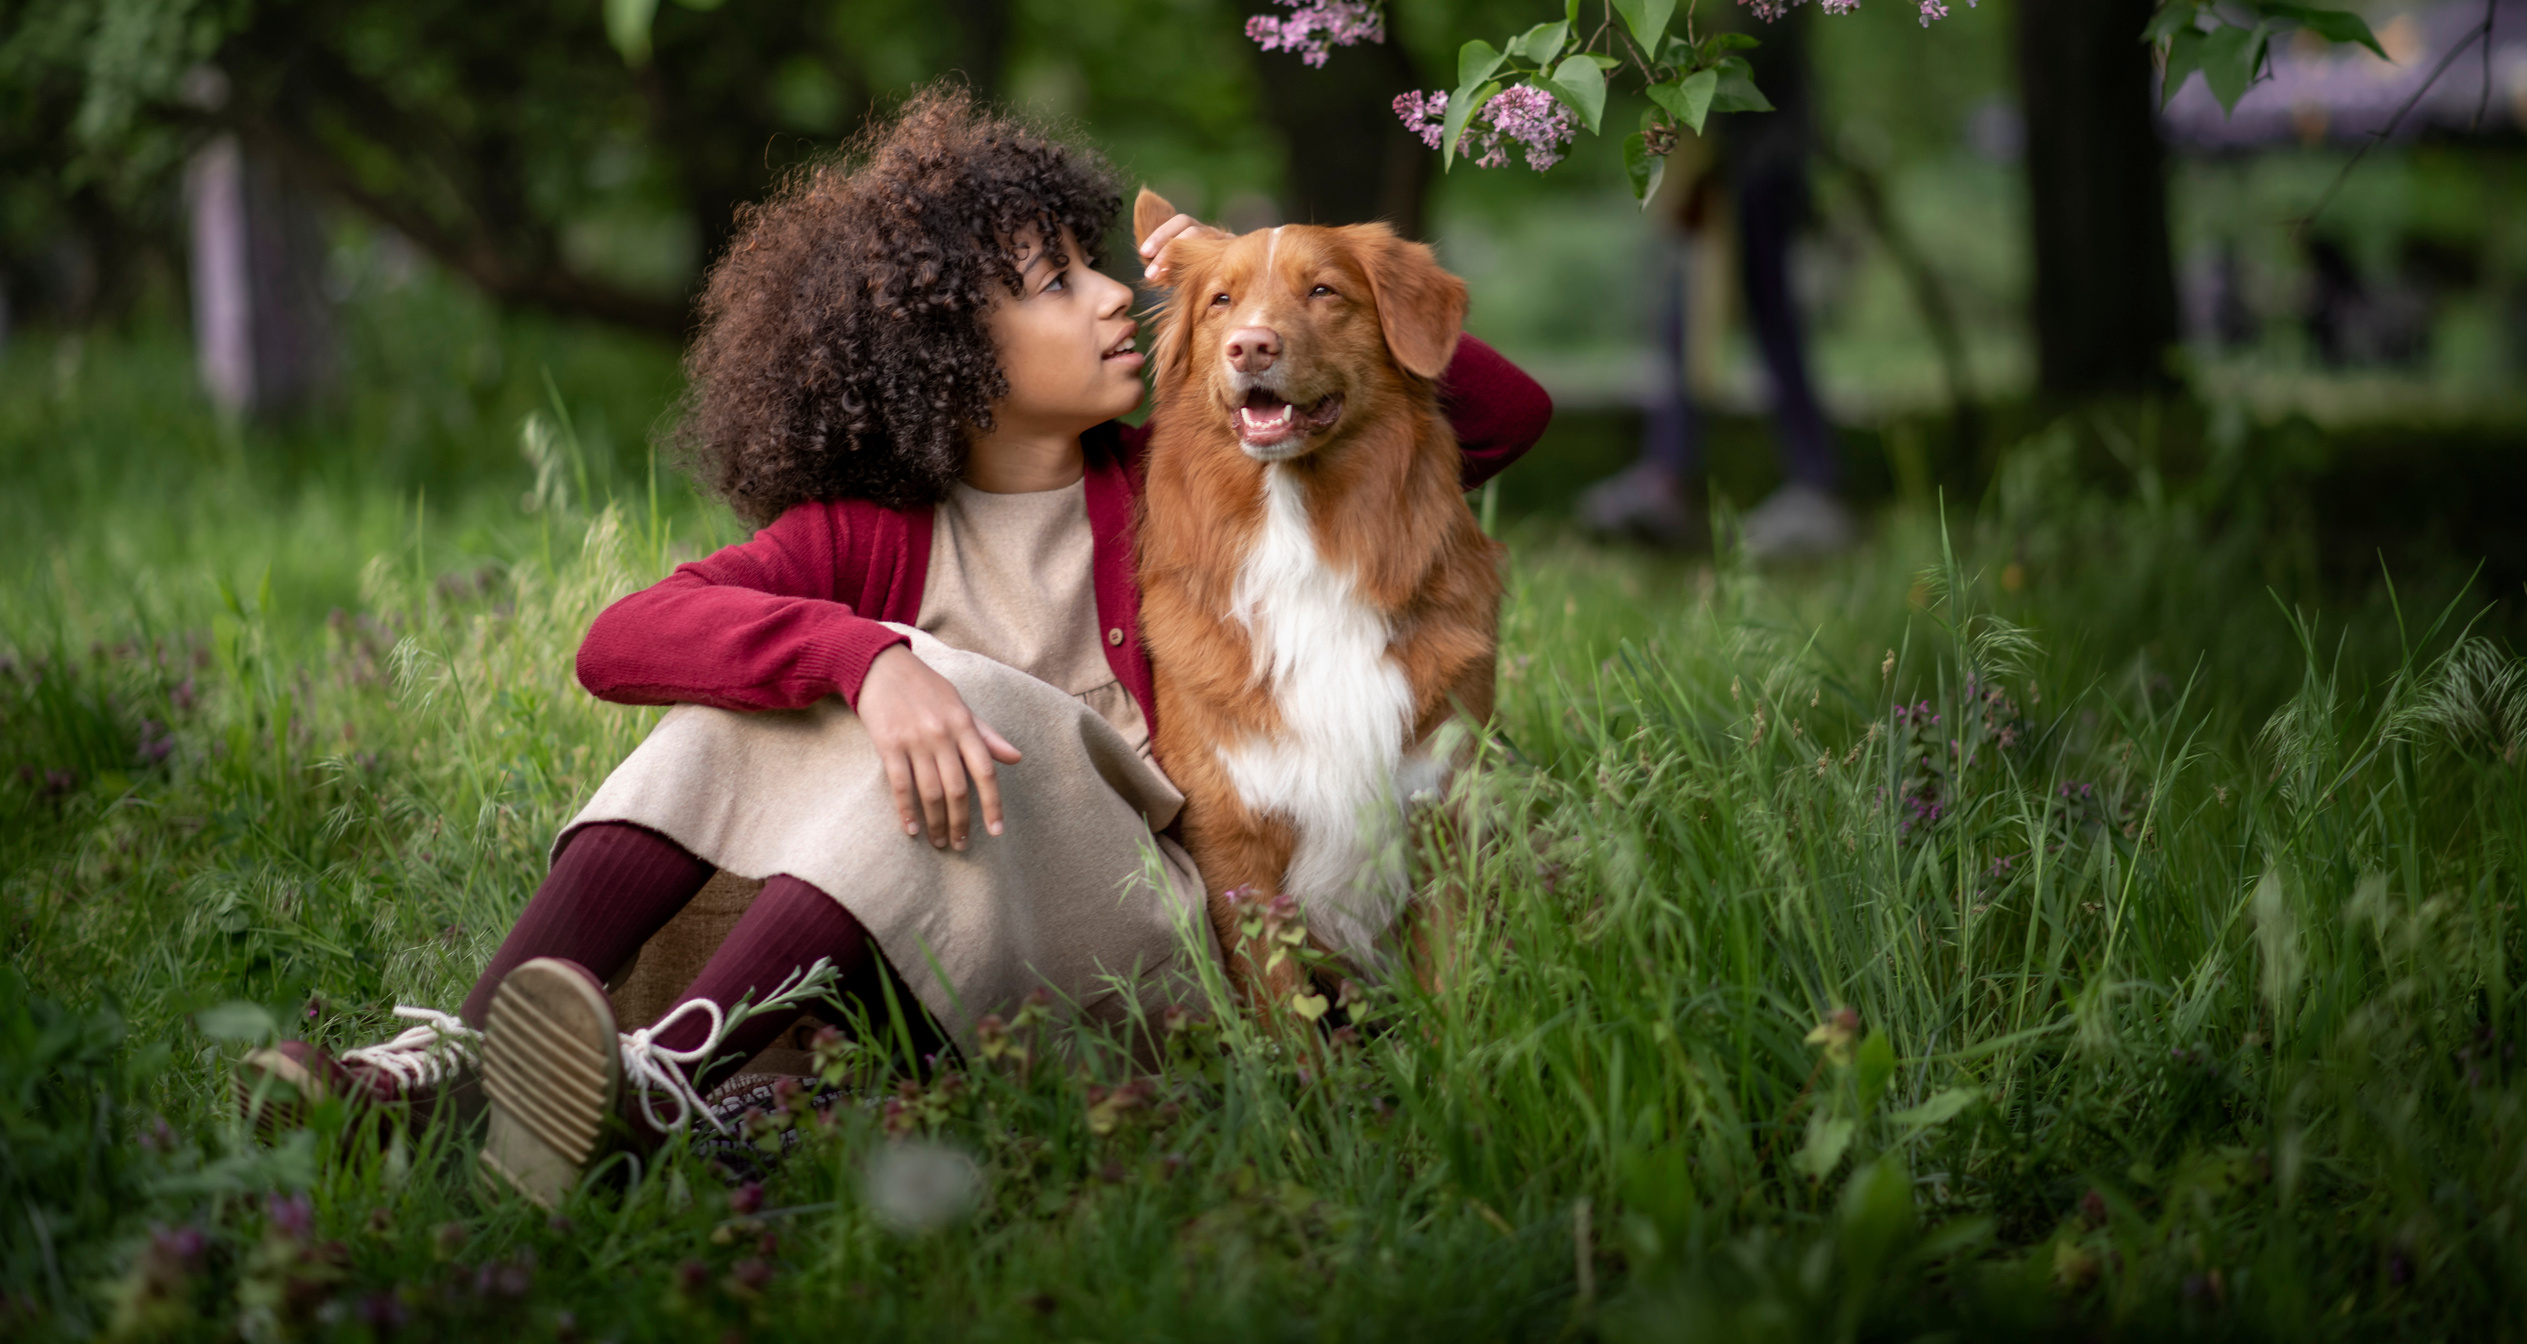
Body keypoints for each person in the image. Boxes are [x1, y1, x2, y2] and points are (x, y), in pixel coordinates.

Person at [239, 90, 1552, 1203]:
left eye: (1099, 267)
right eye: (1055, 283)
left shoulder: (1179, 485)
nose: (1112, 299)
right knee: (744, 708)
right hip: (938, 958)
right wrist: (867, 662)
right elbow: (621, 641)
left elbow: (1492, 413)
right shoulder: (868, 540)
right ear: (946, 350)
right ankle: (454, 1065)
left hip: (1153, 951)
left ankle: (669, 1069)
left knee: (976, 695)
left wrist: (1234, 264)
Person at [1575, 12, 1854, 559]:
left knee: (1763, 322)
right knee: (1692, 324)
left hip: (1756, 177)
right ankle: (1671, 474)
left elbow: (1730, 80)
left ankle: (1810, 484)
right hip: (1732, 175)